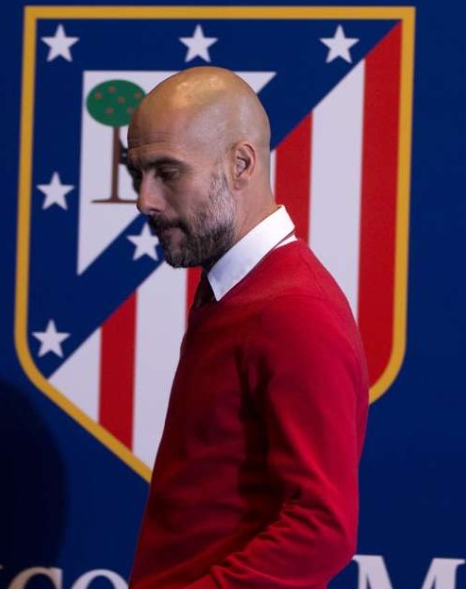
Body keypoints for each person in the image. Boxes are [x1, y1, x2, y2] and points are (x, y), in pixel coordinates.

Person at [126, 66, 369, 588]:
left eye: (167, 172)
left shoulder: (293, 312)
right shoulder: (236, 290)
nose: (144, 200)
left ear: (241, 163)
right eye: (137, 173)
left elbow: (321, 528)